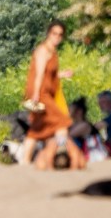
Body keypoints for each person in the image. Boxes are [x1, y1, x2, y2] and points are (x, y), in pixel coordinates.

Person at [21, 21, 74, 166]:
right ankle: (60, 153)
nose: (57, 37)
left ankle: (25, 161)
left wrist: (63, 74)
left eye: (60, 35)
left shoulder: (53, 53)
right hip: (41, 94)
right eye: (54, 33)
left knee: (36, 129)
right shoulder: (42, 50)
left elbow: (50, 74)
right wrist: (36, 95)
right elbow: (38, 74)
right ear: (48, 34)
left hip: (46, 93)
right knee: (62, 121)